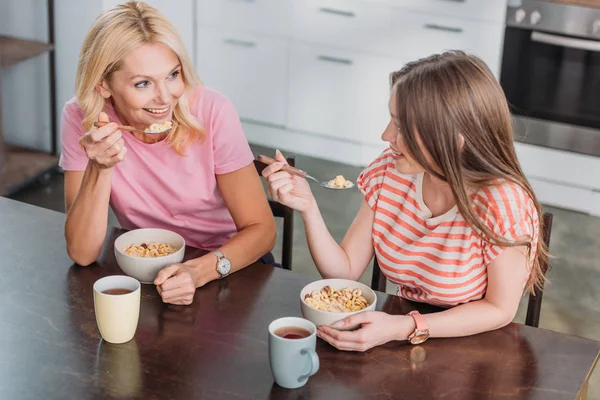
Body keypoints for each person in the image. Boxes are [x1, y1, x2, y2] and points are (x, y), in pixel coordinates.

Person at [262, 51, 547, 351]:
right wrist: (308, 207)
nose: (386, 135)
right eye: (391, 120)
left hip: (471, 347)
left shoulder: (502, 202)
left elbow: (500, 309)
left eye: (401, 126)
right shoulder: (389, 173)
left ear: (451, 140)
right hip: (403, 340)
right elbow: (344, 272)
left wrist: (405, 326)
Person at [60, 1, 276, 305]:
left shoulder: (213, 111)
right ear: (103, 86)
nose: (166, 97)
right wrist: (99, 167)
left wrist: (199, 271)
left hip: (227, 266)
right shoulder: (82, 119)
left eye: (173, 75)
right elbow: (82, 254)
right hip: (146, 268)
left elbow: (262, 231)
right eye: (143, 83)